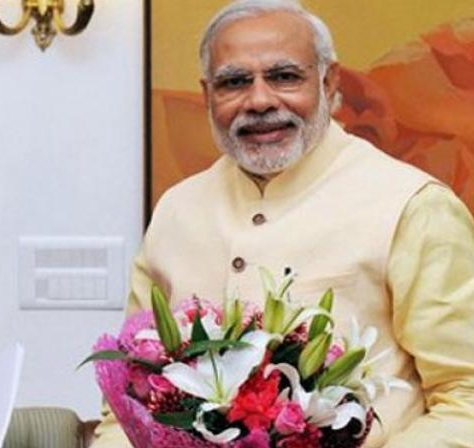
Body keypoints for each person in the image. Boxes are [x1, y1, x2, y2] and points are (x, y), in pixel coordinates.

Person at [93, 0, 474, 446]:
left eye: (284, 76)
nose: (259, 100)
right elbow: (127, 404)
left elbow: (464, 397)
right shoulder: (178, 210)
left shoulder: (411, 205)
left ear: (329, 82)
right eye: (234, 82)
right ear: (207, 94)